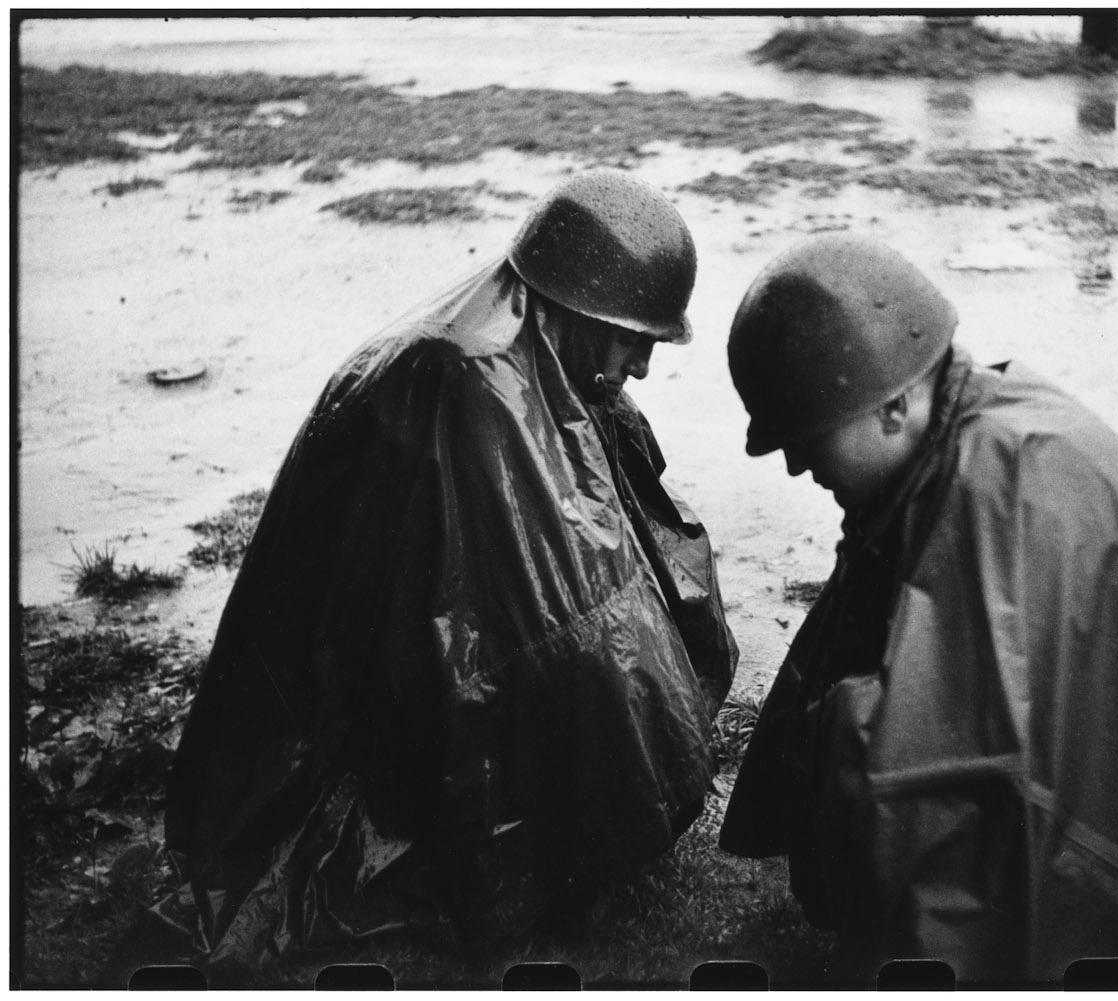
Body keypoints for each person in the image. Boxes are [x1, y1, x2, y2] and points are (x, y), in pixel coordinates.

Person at [717, 235, 1118, 987]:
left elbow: (938, 770)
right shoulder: (973, 418)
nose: (798, 465)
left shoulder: (1000, 487)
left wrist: (838, 736)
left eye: (806, 438)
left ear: (894, 406)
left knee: (870, 751)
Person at [133, 170, 737, 972]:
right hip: (352, 726)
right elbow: (515, 631)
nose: (642, 367)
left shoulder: (529, 361)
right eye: (635, 341)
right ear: (582, 312)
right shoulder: (466, 387)